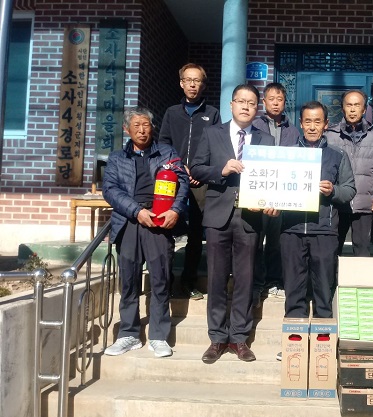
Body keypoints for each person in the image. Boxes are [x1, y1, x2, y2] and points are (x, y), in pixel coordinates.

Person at [190, 84, 276, 364]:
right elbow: (197, 168)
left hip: (250, 218)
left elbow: (272, 178)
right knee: (216, 279)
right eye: (241, 101)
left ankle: (239, 337)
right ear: (231, 104)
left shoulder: (265, 140)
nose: (246, 107)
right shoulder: (212, 133)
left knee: (245, 279)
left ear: (257, 108)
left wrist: (269, 201)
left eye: (251, 103)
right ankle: (217, 337)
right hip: (218, 215)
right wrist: (222, 170)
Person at [103, 107, 190, 358]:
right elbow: (110, 189)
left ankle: (159, 336)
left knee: (161, 279)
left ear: (152, 128)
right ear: (126, 129)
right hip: (130, 221)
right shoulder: (117, 158)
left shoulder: (167, 153)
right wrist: (136, 211)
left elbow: (182, 182)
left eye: (146, 125)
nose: (142, 131)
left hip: (160, 221)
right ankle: (129, 334)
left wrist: (175, 210)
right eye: (136, 126)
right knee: (128, 281)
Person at [281, 101, 355, 320]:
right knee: (293, 286)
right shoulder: (287, 155)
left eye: (317, 122)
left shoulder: (337, 155)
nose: (312, 127)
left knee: (324, 285)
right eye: (308, 122)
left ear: (326, 124)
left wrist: (333, 190)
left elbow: (350, 189)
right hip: (292, 229)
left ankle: (324, 332)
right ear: (301, 124)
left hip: (324, 230)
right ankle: (295, 333)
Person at [159, 63, 221, 300]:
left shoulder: (212, 113)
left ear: (203, 85)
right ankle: (164, 281)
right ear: (181, 83)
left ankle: (188, 280)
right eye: (188, 80)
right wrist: (178, 167)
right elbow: (163, 143)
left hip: (199, 181)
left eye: (197, 81)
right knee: (165, 227)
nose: (193, 85)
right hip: (172, 178)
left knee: (196, 231)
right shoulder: (171, 112)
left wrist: (199, 171)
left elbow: (217, 145)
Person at [251, 83, 300, 305]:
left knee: (276, 240)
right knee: (255, 240)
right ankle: (255, 283)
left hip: (282, 195)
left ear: (284, 102)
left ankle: (273, 280)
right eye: (271, 99)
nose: (276, 103)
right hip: (258, 191)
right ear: (264, 102)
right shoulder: (254, 126)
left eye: (279, 99)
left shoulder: (293, 131)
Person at [325, 90, 373, 257]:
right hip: (337, 201)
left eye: (357, 105)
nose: (352, 109)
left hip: (365, 202)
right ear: (343, 108)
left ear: (364, 109)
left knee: (363, 249)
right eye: (349, 105)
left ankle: (361, 275)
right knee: (332, 248)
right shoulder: (330, 136)